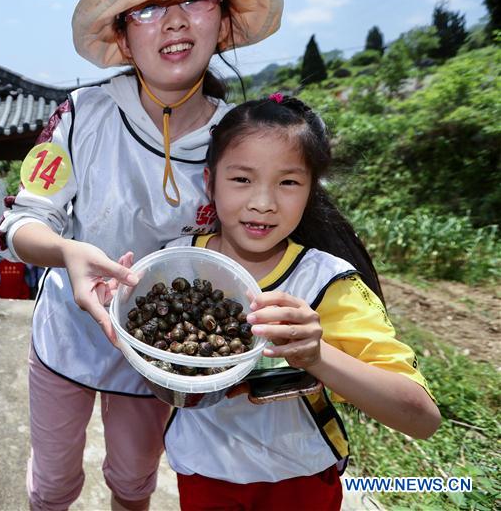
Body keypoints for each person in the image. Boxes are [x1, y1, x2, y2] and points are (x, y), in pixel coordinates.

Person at [0, 0, 284, 511]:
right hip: (69, 335)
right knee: (51, 484)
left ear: (224, 21)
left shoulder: (244, 136)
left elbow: (263, 239)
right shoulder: (81, 114)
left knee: (133, 481)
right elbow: (20, 223)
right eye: (149, 7)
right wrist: (66, 251)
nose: (174, 21)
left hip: (162, 348)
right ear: (124, 37)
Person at [162, 95, 441, 510]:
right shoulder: (175, 264)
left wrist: (316, 354)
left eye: (288, 182)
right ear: (209, 181)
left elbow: (421, 418)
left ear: (311, 189)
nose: (263, 202)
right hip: (203, 475)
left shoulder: (327, 282)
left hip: (298, 480)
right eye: (241, 179)